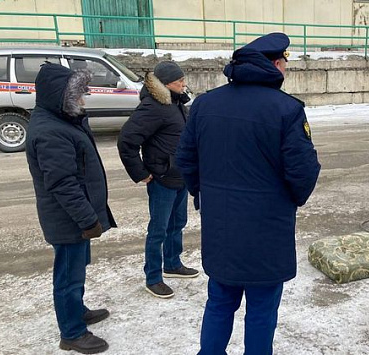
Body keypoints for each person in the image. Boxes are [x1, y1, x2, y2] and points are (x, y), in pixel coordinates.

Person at [176, 32, 321, 354]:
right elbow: (303, 171)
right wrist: (288, 200)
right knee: (261, 308)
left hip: (221, 225)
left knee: (219, 301)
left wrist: (204, 195)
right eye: (284, 62)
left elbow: (185, 159)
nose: (286, 68)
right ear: (273, 64)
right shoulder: (287, 109)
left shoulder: (205, 103)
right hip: (267, 229)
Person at [25, 63, 116, 354]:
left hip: (74, 218)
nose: (83, 101)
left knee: (77, 270)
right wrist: (88, 219)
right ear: (60, 96)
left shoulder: (62, 120)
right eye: (78, 96)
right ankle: (72, 333)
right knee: (67, 276)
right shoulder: (51, 131)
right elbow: (63, 184)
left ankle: (76, 310)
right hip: (68, 220)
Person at [117, 61, 199, 298]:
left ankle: (172, 263)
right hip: (162, 178)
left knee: (178, 223)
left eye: (183, 79)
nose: (184, 84)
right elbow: (127, 141)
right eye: (179, 81)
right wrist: (141, 173)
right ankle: (153, 277)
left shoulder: (177, 104)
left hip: (180, 176)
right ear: (164, 85)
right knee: (158, 230)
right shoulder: (153, 107)